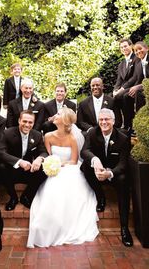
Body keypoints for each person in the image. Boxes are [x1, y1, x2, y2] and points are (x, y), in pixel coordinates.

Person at [27, 106, 99, 248]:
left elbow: (73, 160)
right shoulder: (48, 136)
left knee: (68, 187)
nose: (55, 115)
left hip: (68, 168)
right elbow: (47, 155)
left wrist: (59, 165)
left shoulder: (72, 138)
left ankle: (67, 224)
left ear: (64, 120)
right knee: (51, 189)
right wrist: (51, 165)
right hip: (52, 169)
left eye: (58, 114)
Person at [80, 108, 133, 247]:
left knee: (123, 180)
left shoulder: (123, 138)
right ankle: (100, 196)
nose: (103, 122)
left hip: (114, 172)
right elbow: (84, 151)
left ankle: (124, 228)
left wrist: (109, 173)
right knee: (85, 166)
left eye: (107, 119)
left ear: (113, 121)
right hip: (97, 169)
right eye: (101, 119)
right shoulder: (92, 133)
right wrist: (95, 160)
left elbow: (123, 164)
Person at [0, 110, 48, 211]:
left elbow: (44, 152)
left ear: (33, 123)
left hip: (28, 171)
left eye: (30, 122)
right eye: (24, 121)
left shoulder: (37, 135)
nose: (27, 125)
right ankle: (13, 197)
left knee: (45, 169)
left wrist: (40, 159)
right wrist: (19, 162)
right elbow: (0, 153)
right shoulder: (7, 133)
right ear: (19, 120)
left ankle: (26, 196)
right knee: (1, 167)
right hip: (11, 171)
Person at [113, 39, 139, 130]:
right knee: (111, 98)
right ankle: (118, 124)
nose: (124, 48)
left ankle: (129, 125)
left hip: (135, 85)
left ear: (131, 46)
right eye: (121, 47)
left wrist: (122, 89)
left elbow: (135, 77)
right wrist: (115, 90)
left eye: (125, 46)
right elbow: (119, 80)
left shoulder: (136, 58)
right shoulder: (121, 64)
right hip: (124, 89)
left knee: (124, 96)